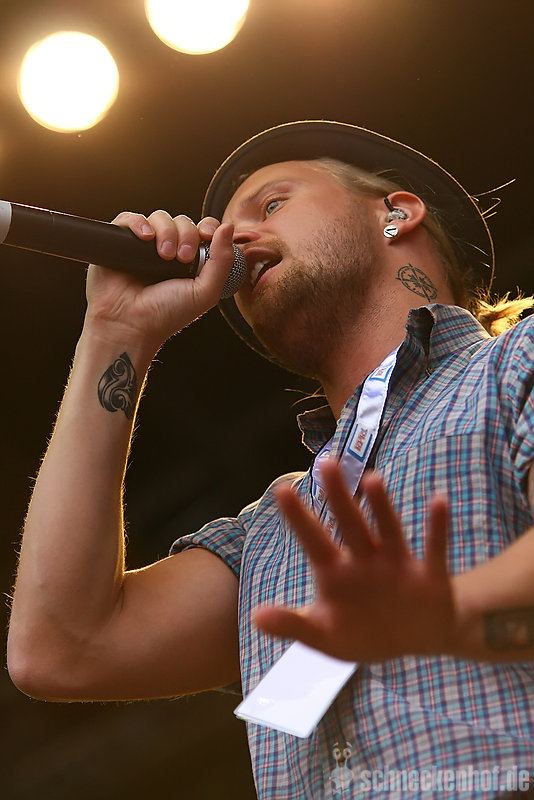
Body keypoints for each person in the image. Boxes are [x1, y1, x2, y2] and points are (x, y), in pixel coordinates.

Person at [7, 120, 534, 799]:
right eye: (227, 230)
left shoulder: (514, 365)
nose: (233, 240)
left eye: (272, 203)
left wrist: (457, 608)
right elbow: (59, 649)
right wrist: (116, 331)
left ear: (396, 213)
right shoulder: (272, 535)